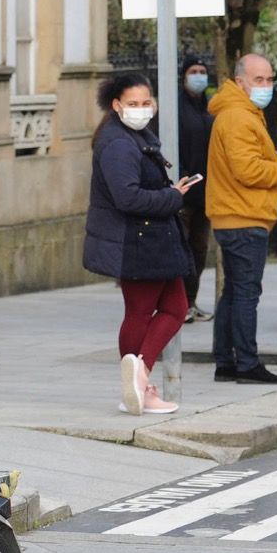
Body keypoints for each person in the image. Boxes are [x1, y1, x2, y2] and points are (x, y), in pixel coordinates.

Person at [83, 73, 196, 415]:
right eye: (132, 104)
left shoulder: (135, 137)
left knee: (175, 307)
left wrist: (170, 194)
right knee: (142, 311)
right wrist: (172, 197)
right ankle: (139, 383)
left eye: (146, 103)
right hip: (137, 240)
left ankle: (138, 380)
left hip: (151, 239)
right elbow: (127, 197)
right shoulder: (118, 143)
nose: (141, 109)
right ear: (116, 106)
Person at [206, 54, 277, 385]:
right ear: (239, 82)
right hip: (243, 216)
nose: (265, 87)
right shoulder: (238, 117)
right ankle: (247, 363)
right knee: (246, 292)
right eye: (258, 80)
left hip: (236, 215)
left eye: (268, 80)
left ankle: (226, 361)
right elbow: (247, 169)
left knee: (233, 291)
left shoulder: (242, 113)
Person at [177, 55, 215, 322]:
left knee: (199, 250)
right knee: (181, 251)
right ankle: (177, 304)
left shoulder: (209, 107)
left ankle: (190, 301)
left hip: (206, 193)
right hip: (184, 191)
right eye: (194, 71)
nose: (199, 75)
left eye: (202, 71)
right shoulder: (175, 107)